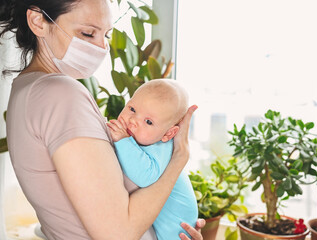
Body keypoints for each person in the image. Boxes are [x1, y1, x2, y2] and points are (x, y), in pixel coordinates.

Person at [1, 0, 205, 239]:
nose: (101, 47)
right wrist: (179, 158)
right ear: (38, 21)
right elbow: (117, 233)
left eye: (106, 35)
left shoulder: (26, 86)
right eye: (87, 33)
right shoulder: (60, 93)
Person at [106, 79, 198, 240]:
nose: (133, 121)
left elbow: (146, 176)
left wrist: (122, 140)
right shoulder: (148, 139)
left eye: (148, 122)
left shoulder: (162, 147)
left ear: (168, 134)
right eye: (132, 109)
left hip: (177, 232)